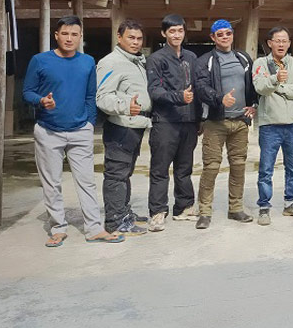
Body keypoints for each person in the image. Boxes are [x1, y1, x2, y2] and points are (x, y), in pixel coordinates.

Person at [23, 15, 123, 246]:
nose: (69, 38)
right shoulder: (40, 61)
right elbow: (27, 92)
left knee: (86, 181)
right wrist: (41, 101)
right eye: (65, 34)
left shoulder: (87, 62)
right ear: (56, 35)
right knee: (52, 182)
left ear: (80, 37)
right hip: (49, 131)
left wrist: (89, 123)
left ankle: (94, 228)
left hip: (80, 131)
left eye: (74, 34)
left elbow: (90, 95)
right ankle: (58, 228)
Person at [193, 19, 257, 230]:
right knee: (211, 167)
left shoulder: (243, 58)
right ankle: (204, 212)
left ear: (232, 35)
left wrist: (253, 105)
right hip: (215, 122)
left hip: (239, 121)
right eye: (220, 34)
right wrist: (219, 98)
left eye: (228, 33)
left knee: (238, 166)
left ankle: (236, 208)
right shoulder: (205, 61)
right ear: (213, 37)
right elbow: (200, 87)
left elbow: (252, 84)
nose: (225, 37)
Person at [96, 18, 152, 236]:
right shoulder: (111, 62)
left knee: (125, 173)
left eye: (139, 38)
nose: (136, 42)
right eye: (131, 37)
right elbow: (102, 97)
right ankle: (115, 221)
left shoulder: (137, 61)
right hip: (120, 127)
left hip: (135, 127)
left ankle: (123, 211)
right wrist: (125, 106)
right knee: (116, 174)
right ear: (119, 37)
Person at [146, 14, 200, 231]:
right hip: (165, 122)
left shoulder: (191, 57)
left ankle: (184, 207)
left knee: (185, 167)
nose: (176, 35)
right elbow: (154, 90)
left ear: (184, 32)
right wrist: (179, 97)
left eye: (180, 31)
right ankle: (158, 211)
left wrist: (199, 118)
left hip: (189, 121)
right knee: (160, 169)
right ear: (164, 33)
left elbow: (198, 88)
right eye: (172, 31)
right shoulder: (156, 59)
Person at [253, 26, 293, 225]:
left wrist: (281, 87)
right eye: (277, 40)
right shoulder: (261, 63)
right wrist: (274, 79)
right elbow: (260, 87)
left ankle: (291, 202)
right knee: (266, 169)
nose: (281, 44)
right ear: (270, 43)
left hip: (292, 125)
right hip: (270, 125)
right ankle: (263, 206)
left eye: (285, 40)